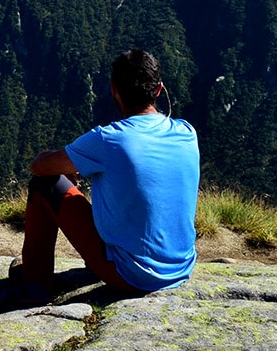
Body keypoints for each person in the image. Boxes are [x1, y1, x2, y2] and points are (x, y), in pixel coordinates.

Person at [21, 49, 199, 296]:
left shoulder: (109, 139)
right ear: (159, 89)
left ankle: (33, 282)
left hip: (132, 276)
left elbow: (39, 166)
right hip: (182, 267)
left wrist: (72, 166)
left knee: (46, 184)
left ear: (114, 89)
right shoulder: (187, 132)